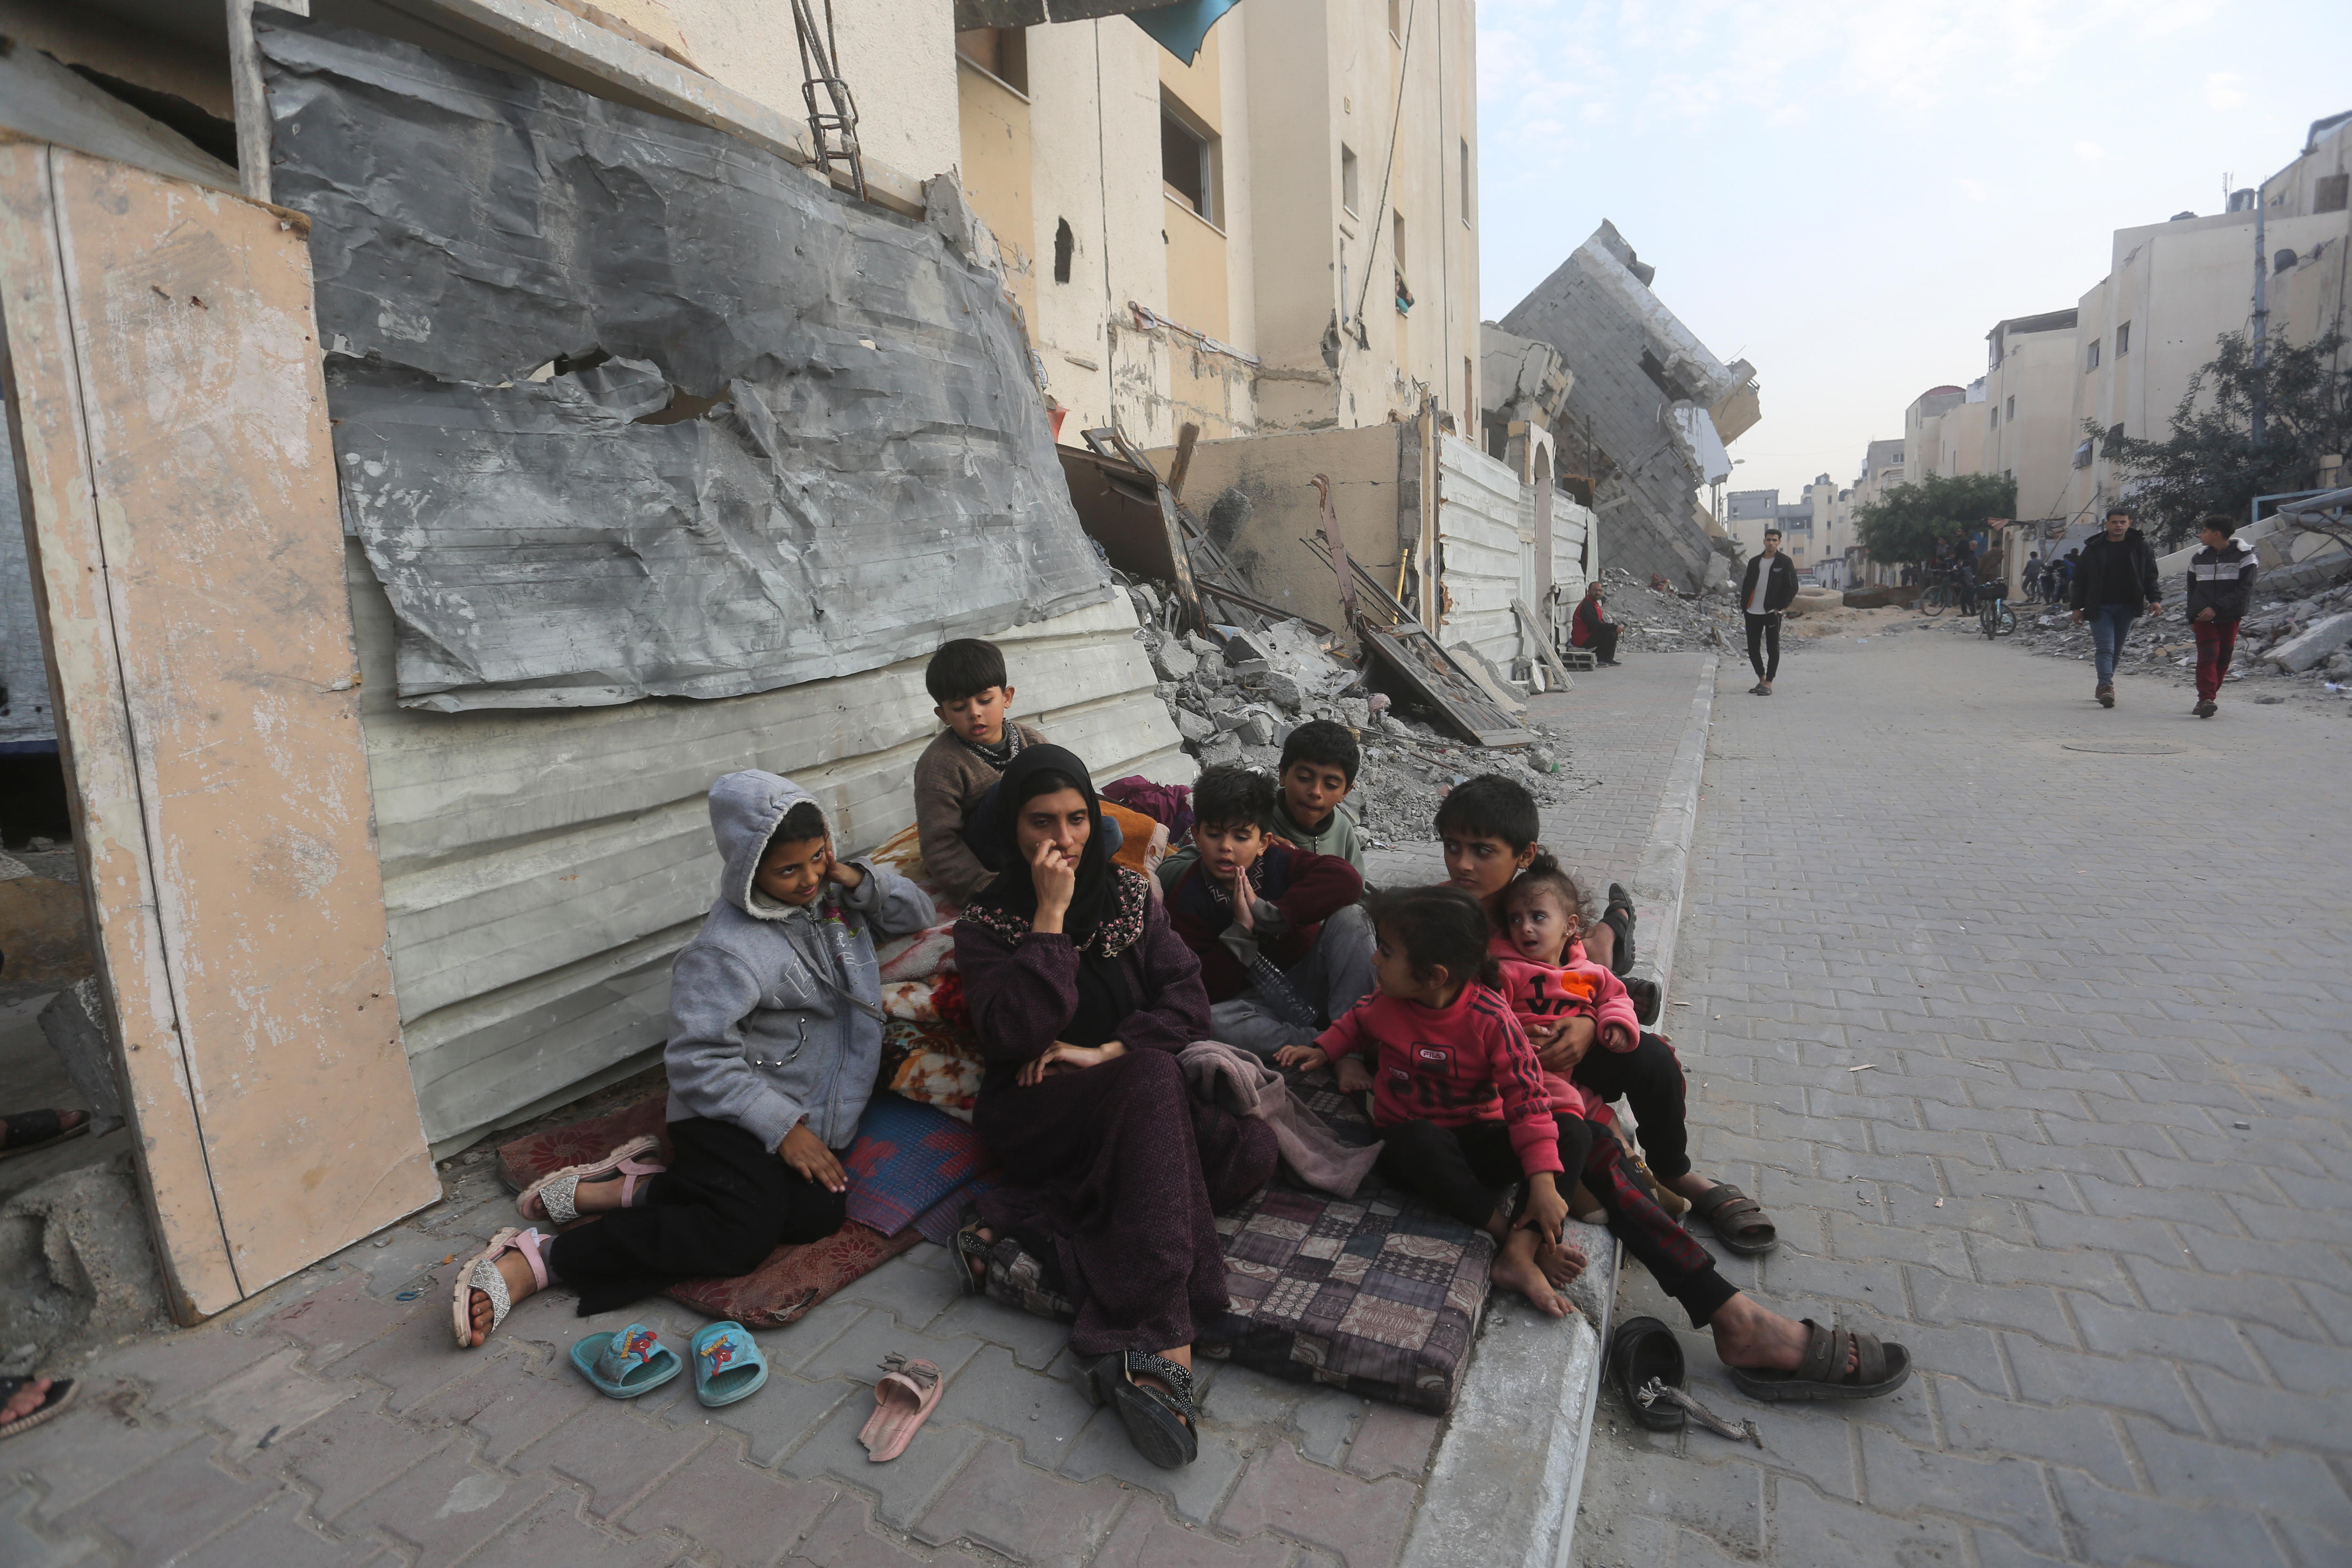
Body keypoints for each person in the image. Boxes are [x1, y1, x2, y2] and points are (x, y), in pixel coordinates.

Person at [456, 773, 935, 1346]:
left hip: (801, 1114)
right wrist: (784, 1131)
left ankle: (632, 1187)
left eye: (818, 858)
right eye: (789, 870)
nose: (809, 878)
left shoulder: (833, 898)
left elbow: (917, 914)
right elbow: (694, 1060)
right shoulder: (723, 951)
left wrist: (852, 876)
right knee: (739, 1239)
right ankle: (543, 1257)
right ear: (748, 868)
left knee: (816, 1216)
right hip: (727, 1111)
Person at [951, 746, 1277, 1471]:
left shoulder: (1132, 896)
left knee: (1250, 1154)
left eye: (1076, 820)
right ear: (1013, 831)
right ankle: (1156, 1339)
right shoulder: (987, 922)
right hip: (1039, 1109)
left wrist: (1106, 1052)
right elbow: (1013, 1034)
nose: (1062, 839)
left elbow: (1189, 1004)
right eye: (1042, 823)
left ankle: (1036, 1219)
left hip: (1125, 1088)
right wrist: (1048, 920)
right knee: (1157, 1081)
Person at [1436, 776, 1778, 1255]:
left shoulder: (1535, 902)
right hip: (1498, 1061)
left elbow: (1580, 973)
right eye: (1452, 847)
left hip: (1562, 1036)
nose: (1463, 863)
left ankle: (1675, 1171)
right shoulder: (1439, 914)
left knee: (1652, 1059)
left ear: (1524, 855)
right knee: (1584, 1132)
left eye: (1482, 850)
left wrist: (1591, 1025)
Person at [1274, 885, 1583, 1318]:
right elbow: (1356, 1021)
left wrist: (1545, 1184)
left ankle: (1522, 1248)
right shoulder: (1387, 1002)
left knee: (1573, 1131)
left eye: (1386, 951)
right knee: (1419, 1138)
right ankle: (1500, 1230)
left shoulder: (1492, 1019)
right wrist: (1324, 1049)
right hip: (1414, 1152)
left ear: (1434, 975)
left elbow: (1527, 1099)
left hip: (1478, 1139)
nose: (1375, 959)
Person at [1164, 764, 1373, 1058]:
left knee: (1353, 918)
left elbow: (1347, 880)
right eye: (1213, 835)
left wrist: (1270, 914)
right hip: (1260, 1001)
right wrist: (1242, 931)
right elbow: (1200, 988)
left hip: (1311, 978)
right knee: (1214, 1023)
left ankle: (1351, 1044)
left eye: (1240, 837)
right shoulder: (1189, 896)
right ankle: (1323, 1042)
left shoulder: (1278, 860)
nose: (1225, 848)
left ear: (1263, 842)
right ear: (1197, 837)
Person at [914, 638, 1050, 905]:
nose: (975, 713)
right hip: (990, 855)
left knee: (1108, 830)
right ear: (943, 715)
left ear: (1007, 697)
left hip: (1043, 840)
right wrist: (987, 888)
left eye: (985, 700)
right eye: (959, 708)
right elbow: (939, 844)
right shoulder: (939, 765)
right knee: (1006, 789)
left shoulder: (1031, 741)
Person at [1157, 720, 1367, 888]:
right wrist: (1249, 856)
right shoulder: (1252, 809)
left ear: (1346, 792)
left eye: (1330, 785)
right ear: (1283, 774)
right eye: (1304, 778)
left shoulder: (1342, 830)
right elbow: (1167, 873)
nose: (1315, 792)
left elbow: (1358, 893)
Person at [2069, 506, 2162, 708]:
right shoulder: (2094, 548)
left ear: (2129, 524)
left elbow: (2150, 576)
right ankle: (2106, 686)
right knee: (2105, 648)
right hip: (2099, 606)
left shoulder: (2140, 547)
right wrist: (2076, 608)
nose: (2119, 526)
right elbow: (2080, 579)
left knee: (2117, 650)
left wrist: (2154, 599)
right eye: (2114, 522)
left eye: (2123, 522)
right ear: (2107, 524)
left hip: (2128, 606)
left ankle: (2103, 685)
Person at [2185, 513, 2257, 718]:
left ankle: (2208, 698)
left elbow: (2245, 589)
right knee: (2208, 656)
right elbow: (2192, 589)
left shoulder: (2245, 556)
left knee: (2223, 658)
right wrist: (2192, 617)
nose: (2200, 535)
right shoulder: (2199, 557)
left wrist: (2217, 608)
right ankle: (2206, 699)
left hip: (2230, 615)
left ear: (2217, 534)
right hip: (2203, 617)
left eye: (2204, 531)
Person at [1739, 529, 1798, 695]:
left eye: (1774, 540)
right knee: (1753, 648)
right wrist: (1745, 606)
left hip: (1771, 612)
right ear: (1764, 541)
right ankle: (1762, 679)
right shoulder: (1754, 562)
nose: (1771, 543)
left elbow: (1793, 587)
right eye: (1768, 540)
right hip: (1752, 612)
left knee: (1772, 648)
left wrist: (1779, 608)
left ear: (1779, 542)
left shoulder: (1785, 562)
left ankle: (1769, 683)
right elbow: (1746, 586)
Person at [1570, 582, 1622, 666]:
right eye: (1595, 590)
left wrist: (1614, 628)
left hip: (1590, 635)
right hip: (1582, 639)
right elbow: (1595, 625)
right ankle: (1600, 659)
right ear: (1589, 591)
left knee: (1613, 633)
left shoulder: (1594, 604)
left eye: (1600, 591)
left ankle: (1608, 659)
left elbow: (1599, 623)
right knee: (1610, 635)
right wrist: (1614, 627)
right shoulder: (1587, 606)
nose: (1598, 593)